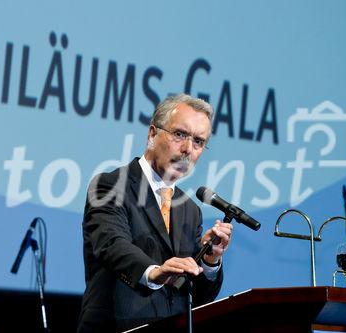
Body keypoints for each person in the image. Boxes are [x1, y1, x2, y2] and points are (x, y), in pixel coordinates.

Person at [77, 94, 233, 332]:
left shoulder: (189, 209)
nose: (187, 149)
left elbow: (197, 298)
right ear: (152, 134)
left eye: (198, 141)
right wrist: (154, 272)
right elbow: (112, 244)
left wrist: (210, 260)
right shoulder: (110, 185)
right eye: (180, 134)